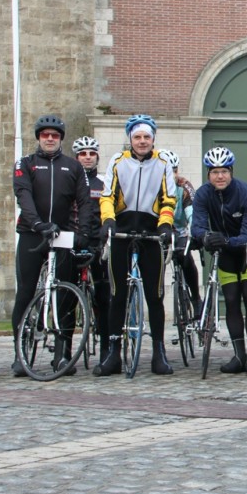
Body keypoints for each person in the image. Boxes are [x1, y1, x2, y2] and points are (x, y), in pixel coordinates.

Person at [12, 115, 94, 377]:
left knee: (65, 295)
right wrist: (37, 224)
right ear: (38, 137)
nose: (50, 139)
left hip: (63, 234)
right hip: (32, 233)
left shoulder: (73, 166)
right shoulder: (26, 163)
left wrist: (83, 233)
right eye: (45, 135)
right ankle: (19, 354)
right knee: (25, 292)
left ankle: (62, 355)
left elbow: (84, 201)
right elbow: (23, 195)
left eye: (55, 135)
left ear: (61, 139)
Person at [95, 114, 177, 377]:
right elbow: (107, 195)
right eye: (137, 137)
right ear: (130, 138)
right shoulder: (118, 162)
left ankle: (159, 353)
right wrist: (108, 222)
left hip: (151, 231)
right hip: (122, 229)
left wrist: (165, 224)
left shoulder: (163, 162)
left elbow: (169, 198)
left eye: (147, 137)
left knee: (155, 295)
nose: (142, 141)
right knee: (117, 295)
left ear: (154, 139)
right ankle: (113, 355)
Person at [191, 146, 247, 376]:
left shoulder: (245, 193)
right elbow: (197, 225)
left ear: (231, 172)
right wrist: (204, 237)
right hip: (224, 250)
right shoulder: (203, 194)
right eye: (214, 172)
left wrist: (224, 239)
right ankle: (238, 355)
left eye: (224, 171)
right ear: (208, 175)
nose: (220, 176)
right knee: (232, 300)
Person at [72, 135, 112, 364]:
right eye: (82, 154)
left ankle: (106, 345)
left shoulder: (104, 183)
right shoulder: (70, 181)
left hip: (99, 242)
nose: (87, 158)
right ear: (76, 157)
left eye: (91, 154)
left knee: (104, 295)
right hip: (76, 241)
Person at [159, 148, 202, 319]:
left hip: (180, 230)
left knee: (185, 257)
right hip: (160, 230)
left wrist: (195, 231)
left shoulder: (183, 186)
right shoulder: (154, 186)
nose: (172, 175)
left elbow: (192, 212)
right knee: (156, 265)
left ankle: (196, 298)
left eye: (174, 171)